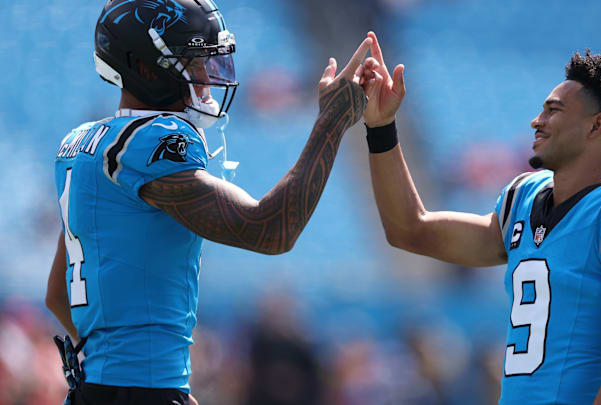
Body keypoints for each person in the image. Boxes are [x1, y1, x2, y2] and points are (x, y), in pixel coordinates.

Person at [44, 0, 372, 403]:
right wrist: (332, 123)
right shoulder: (151, 139)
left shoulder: (78, 144)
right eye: (193, 62)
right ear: (147, 68)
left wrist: (118, 371)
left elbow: (58, 295)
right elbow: (271, 231)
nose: (206, 76)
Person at [360, 32, 601, 404]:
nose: (536, 120)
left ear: (596, 126)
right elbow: (409, 230)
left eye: (553, 110)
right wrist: (381, 127)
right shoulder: (522, 200)